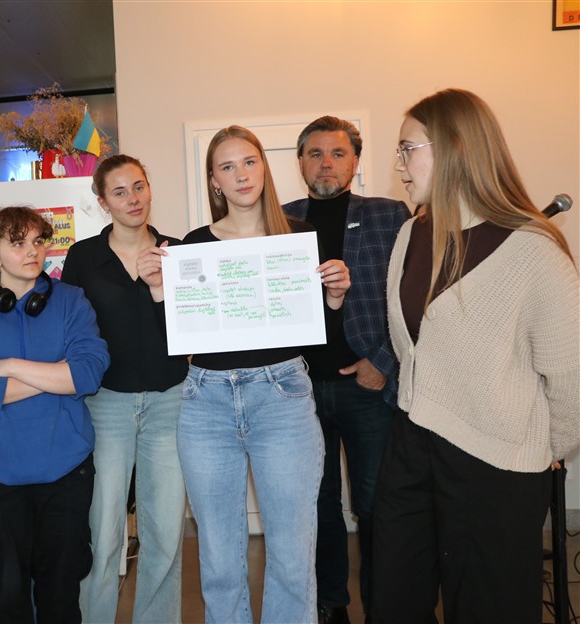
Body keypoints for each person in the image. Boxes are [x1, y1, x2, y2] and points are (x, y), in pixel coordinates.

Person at [373, 88, 579, 624]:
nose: (399, 165)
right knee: (393, 598)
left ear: (455, 148)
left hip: (495, 464)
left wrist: (545, 447)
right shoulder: (410, 234)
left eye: (407, 149)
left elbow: (571, 377)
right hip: (410, 446)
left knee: (490, 608)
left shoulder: (534, 250)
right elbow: (412, 350)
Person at [138, 125, 351, 624]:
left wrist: (335, 297)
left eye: (249, 162)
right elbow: (178, 340)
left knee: (293, 553)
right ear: (214, 180)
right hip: (206, 401)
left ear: (264, 167)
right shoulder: (192, 246)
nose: (241, 174)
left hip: (283, 398)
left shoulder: (299, 239)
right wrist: (158, 291)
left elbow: (316, 333)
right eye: (227, 167)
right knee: (218, 557)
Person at [0, 206, 109, 623]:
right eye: (17, 244)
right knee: (5, 601)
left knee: (61, 598)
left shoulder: (71, 301)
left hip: (64, 475)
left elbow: (88, 372)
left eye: (37, 241)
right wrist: (57, 374)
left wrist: (11, 366)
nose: (32, 251)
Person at [282, 117, 409, 624]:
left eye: (337, 154)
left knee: (377, 505)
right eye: (315, 154)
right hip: (298, 389)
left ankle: (384, 607)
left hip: (367, 386)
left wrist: (383, 362)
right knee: (317, 506)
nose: (326, 164)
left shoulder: (389, 215)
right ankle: (331, 604)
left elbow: (414, 297)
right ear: (300, 162)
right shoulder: (279, 220)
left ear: (355, 161)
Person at [62, 155, 189, 624]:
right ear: (103, 202)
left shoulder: (178, 252)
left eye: (139, 186)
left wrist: (161, 291)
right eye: (119, 192)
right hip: (104, 405)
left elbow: (188, 335)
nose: (133, 199)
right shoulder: (82, 257)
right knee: (102, 528)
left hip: (170, 401)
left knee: (165, 532)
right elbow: (69, 334)